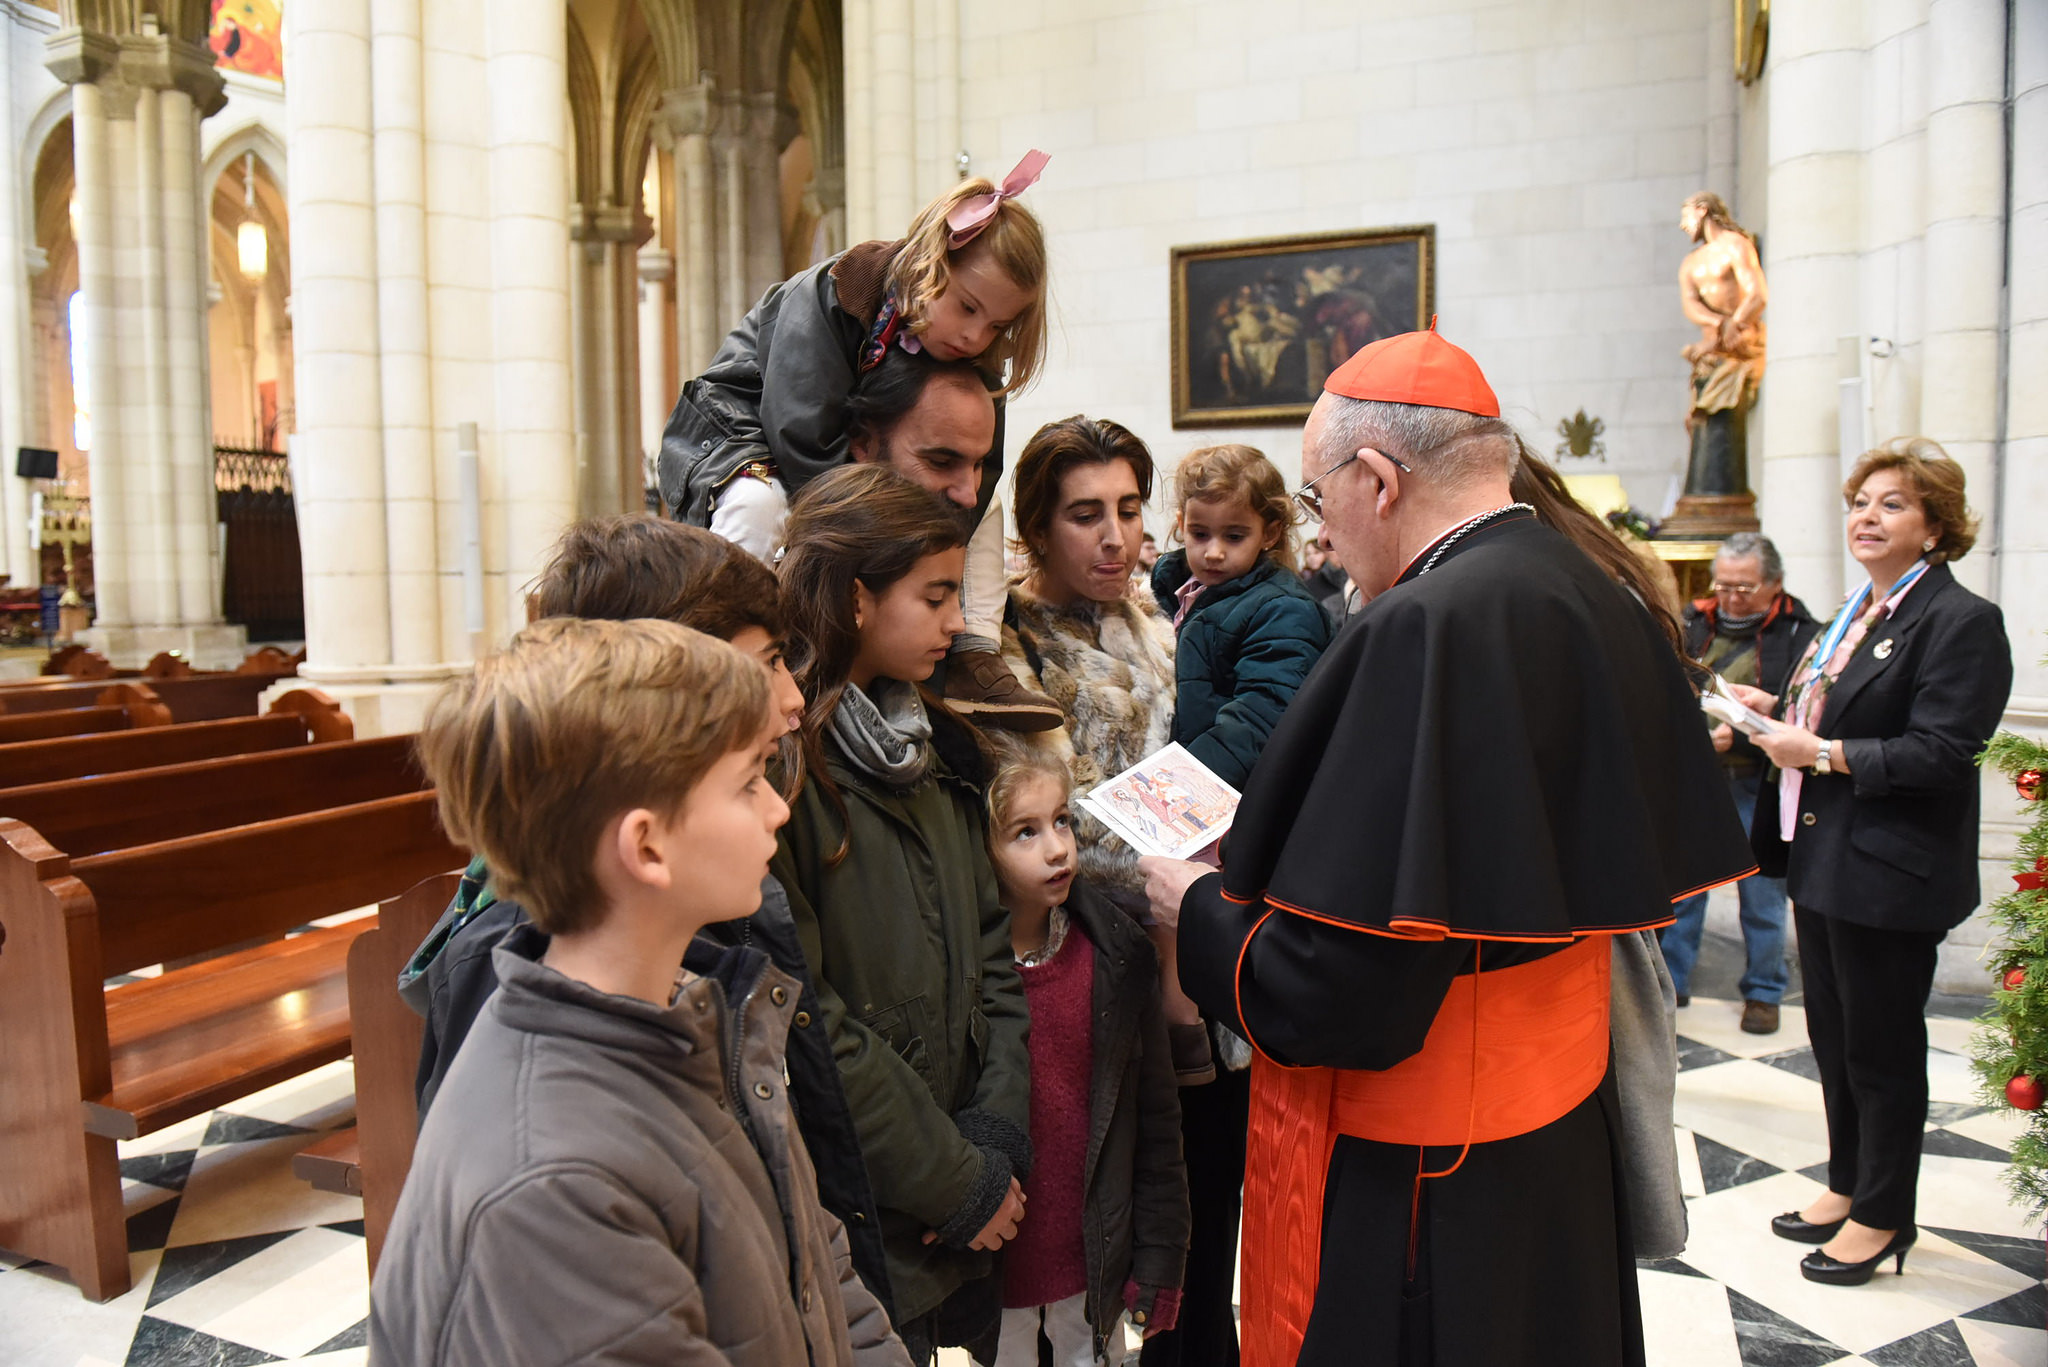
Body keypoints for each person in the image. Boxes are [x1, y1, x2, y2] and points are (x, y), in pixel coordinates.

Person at [1152, 326, 1753, 1366]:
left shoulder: (1423, 627)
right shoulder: (1584, 587)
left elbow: (1341, 992)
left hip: (1431, 1166)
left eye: (1314, 497)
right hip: (1556, 1134)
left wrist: (1190, 909)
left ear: (1376, 478)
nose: (1321, 535)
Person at [371, 617, 908, 1367]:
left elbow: (814, 1263)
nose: (778, 809)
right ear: (647, 845)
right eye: (749, 782)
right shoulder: (555, 1188)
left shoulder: (691, 1011)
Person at [1736, 438, 2011, 1286]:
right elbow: (1832, 711)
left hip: (1890, 870)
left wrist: (1816, 750)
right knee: (1834, 1038)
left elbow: (1939, 751)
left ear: (1935, 527)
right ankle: (1848, 1181)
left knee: (1882, 1052)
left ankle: (1886, 1214)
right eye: (1861, 500)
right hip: (1825, 856)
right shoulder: (1859, 611)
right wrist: (1771, 707)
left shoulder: (1960, 621)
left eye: (1892, 503)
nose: (1866, 514)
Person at [774, 465, 1033, 1364]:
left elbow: (996, 962)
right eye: (934, 596)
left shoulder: (937, 752)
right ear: (854, 597)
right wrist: (951, 1177)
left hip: (968, 1188)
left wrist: (994, 1140)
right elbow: (813, 1020)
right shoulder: (789, 784)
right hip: (868, 1208)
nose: (956, 621)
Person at [660, 151, 1057, 729]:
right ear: (931, 264)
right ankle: (727, 654)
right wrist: (875, 549)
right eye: (967, 307)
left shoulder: (969, 352)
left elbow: (985, 466)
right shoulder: (840, 289)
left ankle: (975, 653)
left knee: (980, 502)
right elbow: (799, 430)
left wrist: (938, 549)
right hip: (740, 424)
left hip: (841, 444)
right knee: (758, 503)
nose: (975, 334)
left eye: (996, 325)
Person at [977, 740, 1190, 1367]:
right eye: (1025, 831)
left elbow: (1156, 1122)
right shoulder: (961, 975)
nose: (1057, 847)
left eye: (1062, 820)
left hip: (1093, 1262)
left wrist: (1159, 1260)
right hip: (996, 1268)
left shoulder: (1117, 959)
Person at [1660, 532, 1819, 1033]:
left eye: (1744, 588)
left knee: (1763, 895)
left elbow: (1803, 707)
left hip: (1760, 778)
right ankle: (1673, 983)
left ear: (1774, 584)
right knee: (1686, 887)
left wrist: (1744, 738)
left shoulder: (1802, 632)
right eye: (1723, 585)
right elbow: (1665, 684)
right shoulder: (1692, 622)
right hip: (1697, 775)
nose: (1730, 598)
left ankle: (1764, 992)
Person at [1149, 443, 1332, 789]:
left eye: (1234, 536)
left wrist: (1178, 787)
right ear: (1181, 524)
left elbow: (1260, 719)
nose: (1214, 552)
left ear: (1269, 533)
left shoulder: (1284, 610)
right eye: (1199, 534)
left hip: (1221, 795)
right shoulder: (1170, 587)